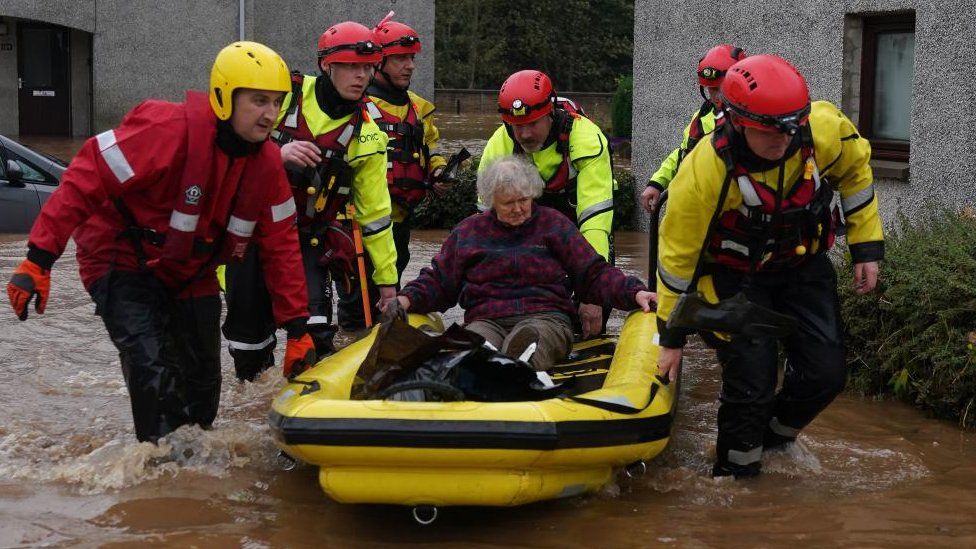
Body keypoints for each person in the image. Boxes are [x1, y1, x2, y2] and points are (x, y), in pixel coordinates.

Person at [5, 42, 313, 443]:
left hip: (190, 272)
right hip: (119, 260)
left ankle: (191, 475)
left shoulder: (268, 165)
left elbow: (282, 247)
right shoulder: (167, 131)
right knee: (153, 370)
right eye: (258, 101)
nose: (270, 114)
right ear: (224, 97)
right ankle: (157, 468)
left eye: (276, 102)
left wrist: (297, 328)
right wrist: (38, 260)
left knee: (205, 387)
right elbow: (85, 177)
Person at [654, 54, 884, 478]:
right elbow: (676, 258)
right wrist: (671, 336)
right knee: (751, 382)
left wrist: (866, 246)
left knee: (825, 374)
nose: (784, 141)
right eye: (771, 132)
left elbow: (856, 173)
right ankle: (736, 480)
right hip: (729, 277)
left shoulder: (824, 128)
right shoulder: (706, 169)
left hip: (800, 265)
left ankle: (774, 441)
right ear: (739, 123)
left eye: (791, 129)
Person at [221, 21, 397, 378]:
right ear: (327, 65)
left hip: (309, 240)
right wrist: (278, 151)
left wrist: (388, 283)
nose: (361, 75)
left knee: (314, 332)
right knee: (249, 348)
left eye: (367, 67)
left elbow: (375, 215)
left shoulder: (369, 134)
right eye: (351, 66)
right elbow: (227, 148)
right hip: (250, 238)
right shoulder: (283, 96)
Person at [390, 155, 655, 371]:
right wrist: (406, 299)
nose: (518, 209)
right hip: (487, 319)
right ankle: (480, 368)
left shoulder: (554, 224)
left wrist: (635, 292)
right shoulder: (468, 232)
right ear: (492, 200)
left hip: (546, 318)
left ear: (533, 194)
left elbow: (594, 273)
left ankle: (519, 367)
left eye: (524, 200)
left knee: (530, 337)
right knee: (476, 344)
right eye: (508, 203)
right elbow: (439, 281)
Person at [480, 70, 616, 339]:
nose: (525, 134)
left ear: (550, 113)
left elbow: (595, 223)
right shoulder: (500, 143)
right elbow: (485, 226)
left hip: (579, 224)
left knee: (593, 310)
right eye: (517, 126)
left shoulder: (586, 139)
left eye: (533, 124)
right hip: (529, 225)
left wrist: (592, 294)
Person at [337, 14, 446, 331]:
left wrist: (438, 171)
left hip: (399, 220)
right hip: (357, 223)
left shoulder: (417, 107)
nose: (410, 65)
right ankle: (350, 347)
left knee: (390, 293)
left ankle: (381, 344)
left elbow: (431, 147)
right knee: (357, 304)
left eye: (411, 58)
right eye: (400, 58)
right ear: (380, 61)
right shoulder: (356, 103)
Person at [640, 44, 747, 213]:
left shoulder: (754, 119)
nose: (717, 95)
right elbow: (684, 153)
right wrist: (657, 183)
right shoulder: (702, 117)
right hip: (702, 209)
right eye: (712, 89)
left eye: (721, 88)